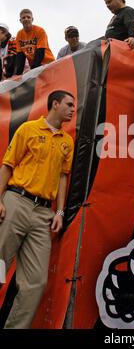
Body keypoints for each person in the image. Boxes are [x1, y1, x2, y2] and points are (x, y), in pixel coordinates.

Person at [0, 90, 75, 328]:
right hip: (16, 203)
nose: (74, 109)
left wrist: (60, 212)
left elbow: (63, 177)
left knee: (36, 282)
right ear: (55, 104)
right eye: (69, 105)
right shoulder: (28, 129)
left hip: (44, 214)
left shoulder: (67, 141)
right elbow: (7, 166)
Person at [14, 9, 55, 75]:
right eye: (23, 17)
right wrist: (18, 74)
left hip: (48, 64)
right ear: (20, 20)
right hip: (35, 67)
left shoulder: (40, 31)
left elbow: (40, 51)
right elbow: (20, 56)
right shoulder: (19, 34)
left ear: (32, 19)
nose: (26, 19)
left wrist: (33, 69)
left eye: (28, 17)